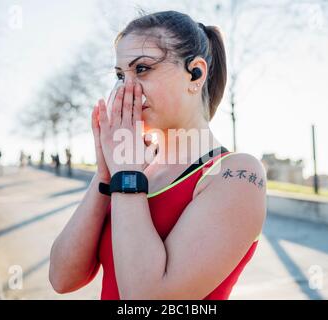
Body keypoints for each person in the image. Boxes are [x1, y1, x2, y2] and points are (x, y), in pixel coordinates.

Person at [49, 10, 266, 300]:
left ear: (196, 73)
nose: (127, 87)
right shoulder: (136, 168)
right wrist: (105, 175)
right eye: (119, 75)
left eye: (142, 69)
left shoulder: (236, 175)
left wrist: (126, 177)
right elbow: (62, 278)